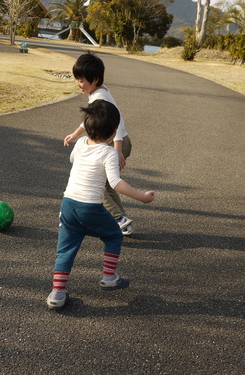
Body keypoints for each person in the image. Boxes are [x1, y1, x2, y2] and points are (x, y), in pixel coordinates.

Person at [47, 100, 155, 310]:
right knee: (114, 235)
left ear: (86, 127)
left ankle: (57, 293)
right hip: (90, 208)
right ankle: (109, 276)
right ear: (114, 132)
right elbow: (115, 183)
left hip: (68, 205)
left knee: (66, 249)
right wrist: (142, 197)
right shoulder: (109, 153)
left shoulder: (80, 144)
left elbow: (73, 160)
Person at [64, 52, 135, 236]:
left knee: (93, 182)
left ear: (95, 79)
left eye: (81, 80)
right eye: (76, 79)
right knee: (108, 185)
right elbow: (88, 120)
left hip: (115, 143)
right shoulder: (98, 92)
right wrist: (75, 133)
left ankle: (119, 218)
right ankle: (123, 221)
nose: (78, 84)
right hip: (115, 142)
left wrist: (118, 151)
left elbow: (116, 122)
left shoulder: (100, 98)